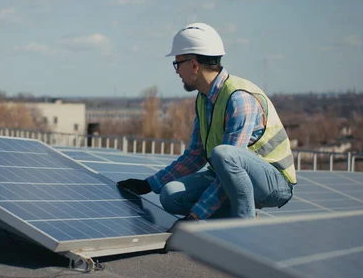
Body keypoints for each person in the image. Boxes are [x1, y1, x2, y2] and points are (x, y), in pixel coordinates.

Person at [118, 23, 297, 221]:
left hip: (273, 182)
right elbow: (195, 155)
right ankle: (238, 217)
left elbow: (229, 163)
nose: (177, 72)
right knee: (170, 196)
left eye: (178, 64)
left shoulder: (238, 98)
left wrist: (196, 216)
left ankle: (245, 227)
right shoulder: (204, 99)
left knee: (224, 154)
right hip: (230, 175)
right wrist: (148, 185)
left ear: (194, 65)